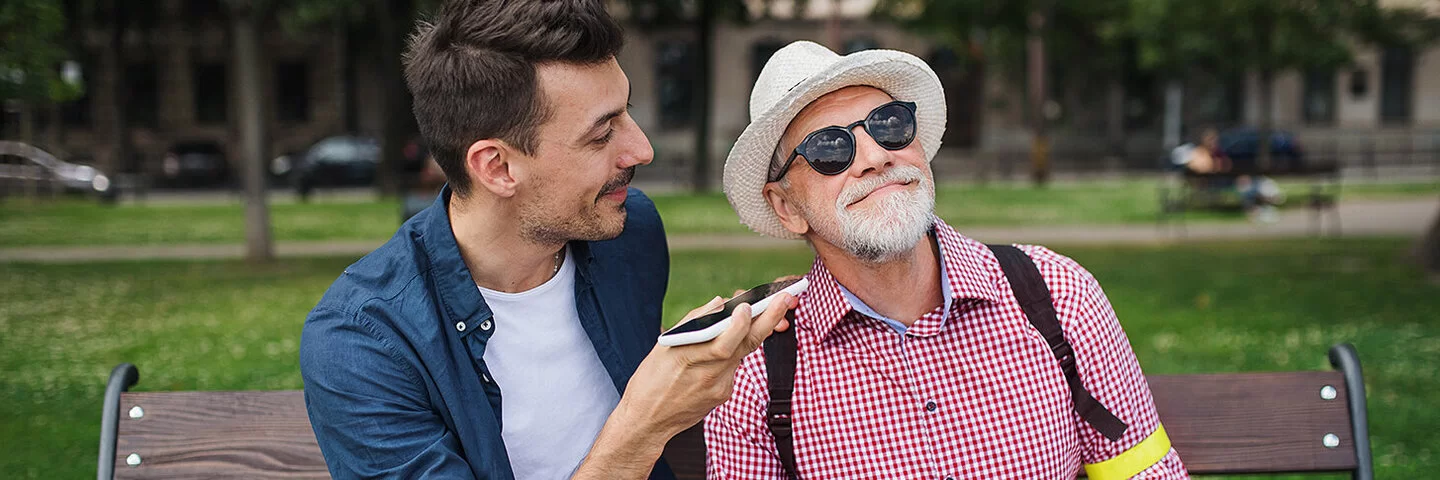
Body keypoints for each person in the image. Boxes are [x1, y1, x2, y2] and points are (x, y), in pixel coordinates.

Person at [299, 1, 795, 478]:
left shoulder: (629, 233)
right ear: (497, 167)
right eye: (602, 135)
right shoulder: (364, 341)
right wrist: (646, 423)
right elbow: (641, 425)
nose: (641, 149)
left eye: (627, 112)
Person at [705, 41, 1189, 479]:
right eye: (830, 148)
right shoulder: (754, 374)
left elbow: (1143, 472)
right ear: (787, 207)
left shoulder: (1060, 296)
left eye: (889, 125)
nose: (875, 156)